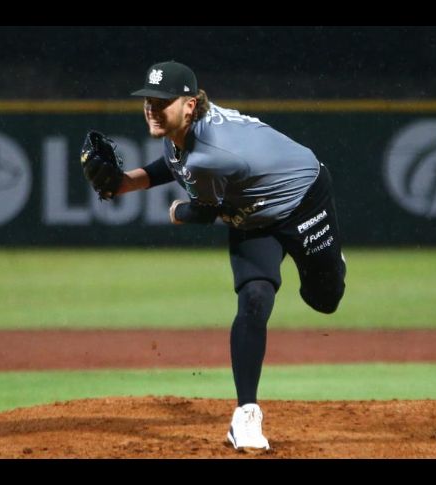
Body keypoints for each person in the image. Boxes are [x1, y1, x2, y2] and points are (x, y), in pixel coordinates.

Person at [114, 60, 346, 452]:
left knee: (324, 300)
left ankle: (333, 264)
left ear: (189, 105)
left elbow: (203, 211)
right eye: (148, 100)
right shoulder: (183, 130)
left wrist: (176, 213)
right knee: (254, 299)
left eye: (162, 102)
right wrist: (124, 183)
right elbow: (172, 163)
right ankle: (246, 413)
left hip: (303, 197)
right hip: (251, 214)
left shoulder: (211, 155)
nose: (152, 108)